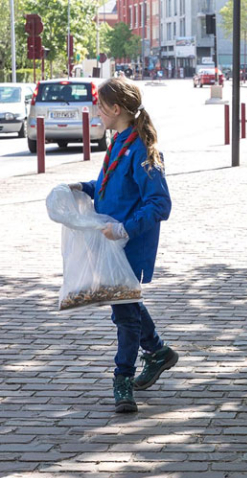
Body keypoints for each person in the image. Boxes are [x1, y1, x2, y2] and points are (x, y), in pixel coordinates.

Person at [69, 78, 175, 414]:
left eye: (100, 106)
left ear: (116, 109)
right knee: (126, 306)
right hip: (111, 247)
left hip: (128, 248)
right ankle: (157, 352)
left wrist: (125, 229)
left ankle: (123, 380)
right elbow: (108, 186)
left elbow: (160, 204)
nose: (96, 111)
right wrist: (83, 187)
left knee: (124, 314)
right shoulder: (119, 142)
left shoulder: (141, 149)